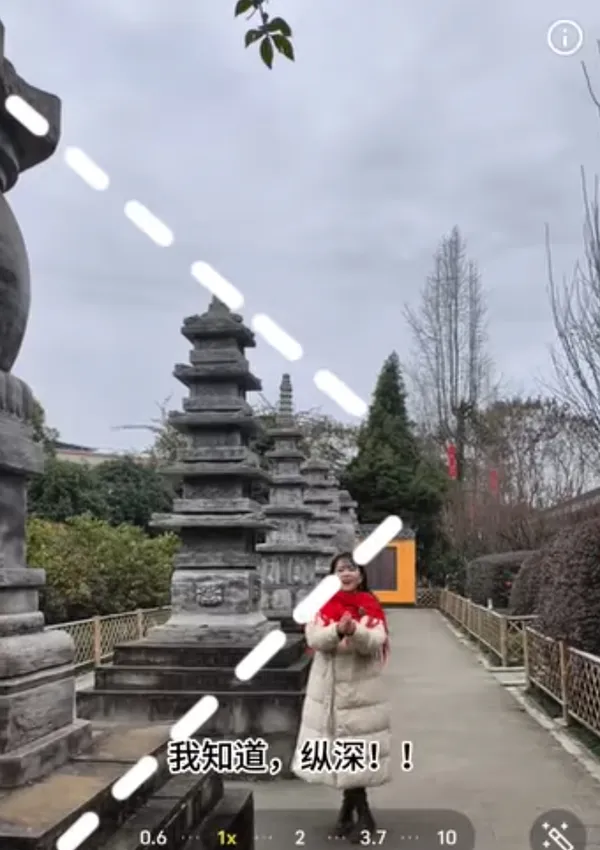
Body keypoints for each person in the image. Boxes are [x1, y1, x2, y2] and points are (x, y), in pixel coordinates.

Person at [292, 552, 391, 843]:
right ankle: (350, 813)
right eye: (340, 569)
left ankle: (363, 817)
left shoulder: (370, 606)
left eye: (351, 569)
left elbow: (375, 641)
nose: (346, 574)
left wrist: (356, 630)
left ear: (361, 575)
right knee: (343, 753)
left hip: (362, 692)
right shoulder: (321, 607)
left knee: (354, 753)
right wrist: (337, 629)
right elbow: (314, 639)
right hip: (329, 691)